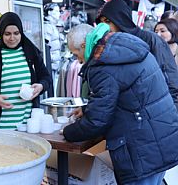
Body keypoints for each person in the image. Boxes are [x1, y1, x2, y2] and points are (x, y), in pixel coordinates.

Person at [64, 23, 178, 185]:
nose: (78, 61)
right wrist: (87, 109)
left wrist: (67, 132)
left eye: (76, 55)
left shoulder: (101, 64)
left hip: (143, 151)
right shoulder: (119, 43)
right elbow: (125, 94)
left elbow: (97, 121)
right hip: (161, 139)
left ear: (83, 46)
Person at [96, 0, 178, 108]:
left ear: (120, 19)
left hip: (154, 113)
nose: (105, 27)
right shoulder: (108, 46)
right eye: (101, 22)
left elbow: (170, 79)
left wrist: (171, 114)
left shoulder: (151, 39)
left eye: (107, 21)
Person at [0, 12, 52, 129]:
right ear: (1, 33)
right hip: (1, 125)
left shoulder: (31, 53)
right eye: (7, 34)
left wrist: (41, 86)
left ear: (21, 32)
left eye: (16, 33)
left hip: (28, 124)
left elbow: (47, 78)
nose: (12, 38)